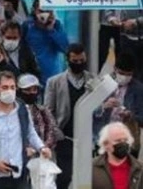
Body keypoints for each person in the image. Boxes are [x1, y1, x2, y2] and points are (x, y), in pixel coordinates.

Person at [0, 71, 53, 188]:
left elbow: (30, 132)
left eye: (12, 87)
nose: (9, 91)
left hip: (18, 174)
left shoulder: (22, 109)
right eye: (5, 87)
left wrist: (41, 147)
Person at [45, 44, 94, 189]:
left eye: (81, 60)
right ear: (68, 60)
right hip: (64, 137)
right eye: (75, 61)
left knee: (86, 177)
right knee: (64, 177)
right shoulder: (54, 82)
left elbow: (99, 110)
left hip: (87, 138)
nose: (79, 63)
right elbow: (48, 111)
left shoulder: (93, 80)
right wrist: (56, 131)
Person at [94, 52, 143, 158]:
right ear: (115, 69)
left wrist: (130, 116)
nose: (125, 77)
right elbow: (90, 111)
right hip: (104, 136)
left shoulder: (138, 89)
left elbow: (141, 117)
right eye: (122, 73)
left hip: (127, 139)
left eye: (128, 74)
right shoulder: (103, 83)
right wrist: (104, 106)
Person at [24, 0, 70, 86]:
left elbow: (66, 48)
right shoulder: (27, 26)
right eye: (41, 11)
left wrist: (51, 30)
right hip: (32, 76)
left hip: (53, 76)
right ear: (35, 11)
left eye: (47, 11)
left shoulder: (56, 26)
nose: (44, 14)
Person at [92, 122, 143, 189]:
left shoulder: (140, 168)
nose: (123, 144)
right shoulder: (92, 168)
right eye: (118, 141)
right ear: (106, 144)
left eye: (125, 140)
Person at [18, 73, 61, 150]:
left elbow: (51, 130)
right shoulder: (14, 111)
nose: (31, 93)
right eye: (27, 90)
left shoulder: (42, 111)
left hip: (41, 154)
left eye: (34, 89)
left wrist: (42, 147)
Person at [106, 9, 143, 80]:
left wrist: (136, 21)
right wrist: (111, 18)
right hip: (125, 37)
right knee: (125, 71)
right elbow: (110, 2)